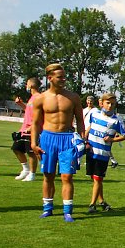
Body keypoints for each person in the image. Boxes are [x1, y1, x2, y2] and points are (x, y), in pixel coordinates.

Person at [31, 63, 86, 223]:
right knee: (48, 176)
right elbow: (36, 123)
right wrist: (34, 143)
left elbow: (80, 120)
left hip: (67, 139)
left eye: (64, 77)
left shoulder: (73, 97)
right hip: (48, 139)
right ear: (50, 78)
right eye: (60, 77)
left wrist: (82, 139)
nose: (63, 79)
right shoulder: (41, 98)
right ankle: (47, 209)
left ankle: (67, 212)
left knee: (67, 176)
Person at [85, 93, 125, 213]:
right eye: (108, 103)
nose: (110, 106)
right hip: (91, 152)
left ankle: (92, 205)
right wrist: (85, 139)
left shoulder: (116, 120)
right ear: (101, 103)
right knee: (95, 178)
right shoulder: (94, 114)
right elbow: (90, 127)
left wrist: (112, 139)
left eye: (113, 104)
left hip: (103, 154)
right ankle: (102, 202)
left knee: (98, 179)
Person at [12, 77, 41, 181]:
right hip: (24, 129)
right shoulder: (31, 98)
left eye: (27, 83)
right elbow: (29, 111)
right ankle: (25, 169)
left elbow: (41, 115)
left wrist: (32, 127)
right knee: (16, 148)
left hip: (32, 129)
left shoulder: (39, 98)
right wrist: (21, 104)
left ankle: (32, 174)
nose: (26, 86)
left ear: (31, 85)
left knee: (31, 152)